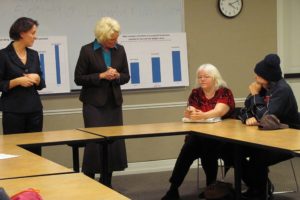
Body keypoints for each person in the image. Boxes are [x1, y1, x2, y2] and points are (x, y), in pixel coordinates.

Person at [162, 64, 235, 200]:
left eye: (206, 77)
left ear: (215, 78)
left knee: (207, 146)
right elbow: (190, 111)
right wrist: (190, 112)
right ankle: (174, 188)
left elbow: (220, 111)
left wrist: (202, 115)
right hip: (199, 137)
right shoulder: (196, 93)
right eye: (200, 77)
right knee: (187, 150)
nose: (202, 79)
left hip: (222, 138)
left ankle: (210, 186)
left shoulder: (224, 92)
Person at [74, 17, 130, 186]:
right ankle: (89, 182)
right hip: (93, 105)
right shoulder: (87, 50)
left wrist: (117, 75)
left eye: (116, 38)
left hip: (114, 104)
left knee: (112, 143)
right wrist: (101, 76)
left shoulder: (120, 50)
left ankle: (107, 182)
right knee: (94, 143)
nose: (115, 41)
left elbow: (127, 76)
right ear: (102, 36)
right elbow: (78, 78)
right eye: (112, 38)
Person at [238, 54, 300, 200]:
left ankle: (260, 191)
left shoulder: (282, 90)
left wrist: (254, 95)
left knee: (257, 157)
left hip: (287, 141)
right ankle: (258, 186)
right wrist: (248, 117)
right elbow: (244, 110)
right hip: (265, 138)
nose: (255, 78)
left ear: (267, 76)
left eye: (258, 75)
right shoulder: (265, 87)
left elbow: (266, 119)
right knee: (234, 151)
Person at [0, 17, 46, 155]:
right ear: (22, 33)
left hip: (34, 110)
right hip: (13, 111)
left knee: (35, 151)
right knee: (14, 151)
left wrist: (37, 79)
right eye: (32, 33)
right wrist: (17, 81)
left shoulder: (34, 54)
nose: (35, 37)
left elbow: (41, 84)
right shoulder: (3, 55)